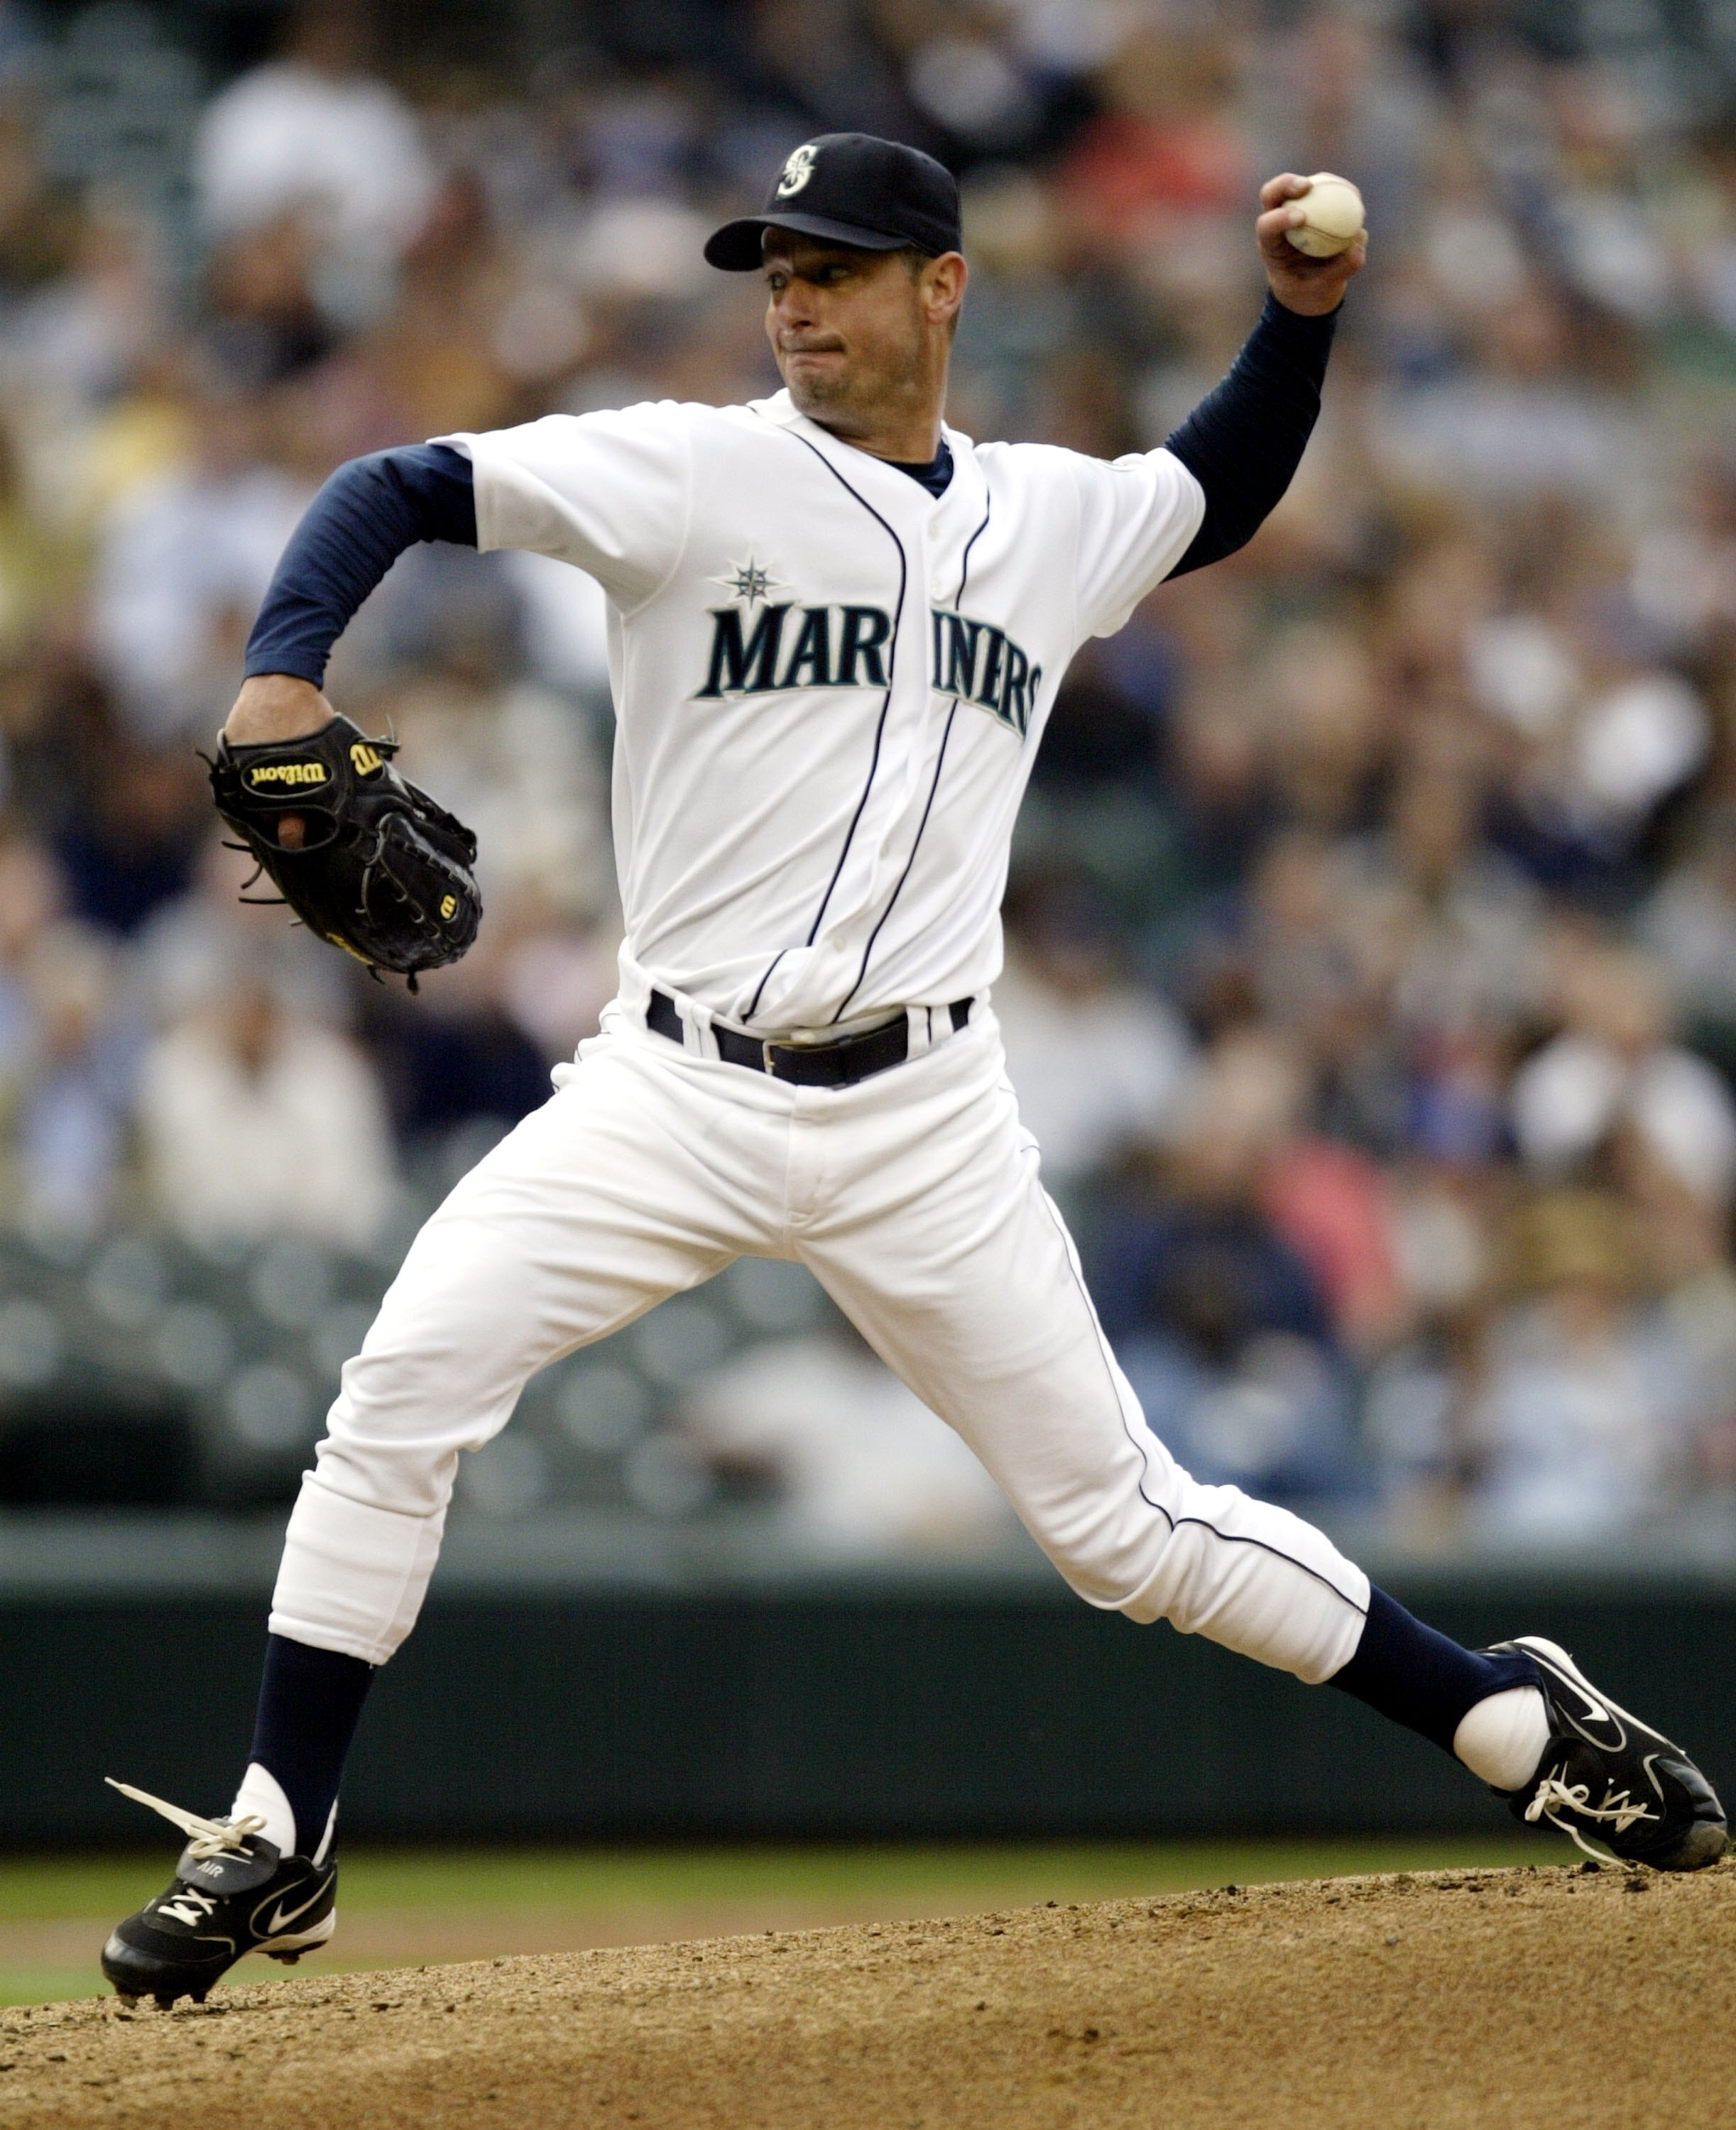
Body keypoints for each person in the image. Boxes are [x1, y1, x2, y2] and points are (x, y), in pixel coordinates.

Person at [101, 134, 1723, 2009]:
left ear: (941, 286)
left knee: (1123, 1532)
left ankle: (1514, 1729)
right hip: (672, 1090)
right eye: (778, 268)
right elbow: (397, 482)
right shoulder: (695, 468)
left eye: (840, 267)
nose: (795, 299)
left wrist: (1298, 324)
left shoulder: (1041, 518)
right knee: (401, 1389)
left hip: (924, 1120)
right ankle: (276, 1835)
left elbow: (1215, 490)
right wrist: (284, 671)